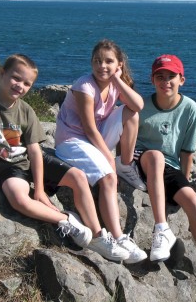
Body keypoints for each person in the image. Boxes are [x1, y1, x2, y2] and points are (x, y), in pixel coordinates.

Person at [0, 53, 114, 258]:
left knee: (78, 177)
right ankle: (65, 220)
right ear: (2, 74)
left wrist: (39, 189)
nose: (20, 86)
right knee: (18, 197)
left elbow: (35, 151)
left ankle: (98, 236)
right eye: (16, 78)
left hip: (33, 162)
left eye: (27, 83)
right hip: (9, 167)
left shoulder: (26, 110)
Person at [133, 54, 196, 294]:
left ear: (182, 79)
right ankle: (161, 229)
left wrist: (183, 186)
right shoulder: (141, 105)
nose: (165, 81)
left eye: (171, 77)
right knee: (155, 156)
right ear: (152, 79)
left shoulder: (190, 108)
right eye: (160, 76)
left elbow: (186, 152)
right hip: (142, 158)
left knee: (192, 200)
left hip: (170, 166)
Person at [54, 39, 147, 264]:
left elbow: (138, 105)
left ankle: (126, 162)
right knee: (107, 177)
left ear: (119, 64)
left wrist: (117, 78)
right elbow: (88, 128)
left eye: (108, 61)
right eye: (97, 61)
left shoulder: (115, 83)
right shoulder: (84, 86)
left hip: (93, 139)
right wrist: (108, 159)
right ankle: (116, 237)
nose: (101, 66)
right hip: (73, 140)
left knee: (131, 113)